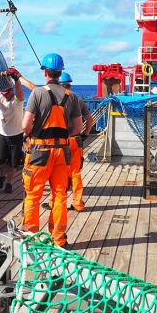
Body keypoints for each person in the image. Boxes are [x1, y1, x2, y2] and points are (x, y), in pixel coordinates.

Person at [21, 53, 82, 248]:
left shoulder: (37, 94)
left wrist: (32, 134)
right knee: (60, 195)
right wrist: (63, 136)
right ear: (60, 72)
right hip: (62, 152)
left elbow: (25, 125)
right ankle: (59, 239)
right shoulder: (71, 97)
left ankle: (30, 238)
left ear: (45, 72)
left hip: (40, 152)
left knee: (34, 195)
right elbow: (78, 128)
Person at [0, 68, 26, 194]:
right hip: (3, 134)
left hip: (16, 135)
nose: (5, 95)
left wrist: (17, 78)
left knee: (14, 162)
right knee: (0, 159)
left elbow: (19, 90)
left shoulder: (17, 100)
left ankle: (9, 183)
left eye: (7, 93)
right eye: (3, 93)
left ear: (11, 91)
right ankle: (1, 176)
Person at [59, 72, 94, 212]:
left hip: (60, 142)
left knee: (58, 173)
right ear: (69, 85)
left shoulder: (53, 100)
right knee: (75, 173)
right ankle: (78, 203)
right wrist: (85, 135)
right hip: (76, 141)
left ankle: (56, 203)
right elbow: (89, 120)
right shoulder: (77, 100)